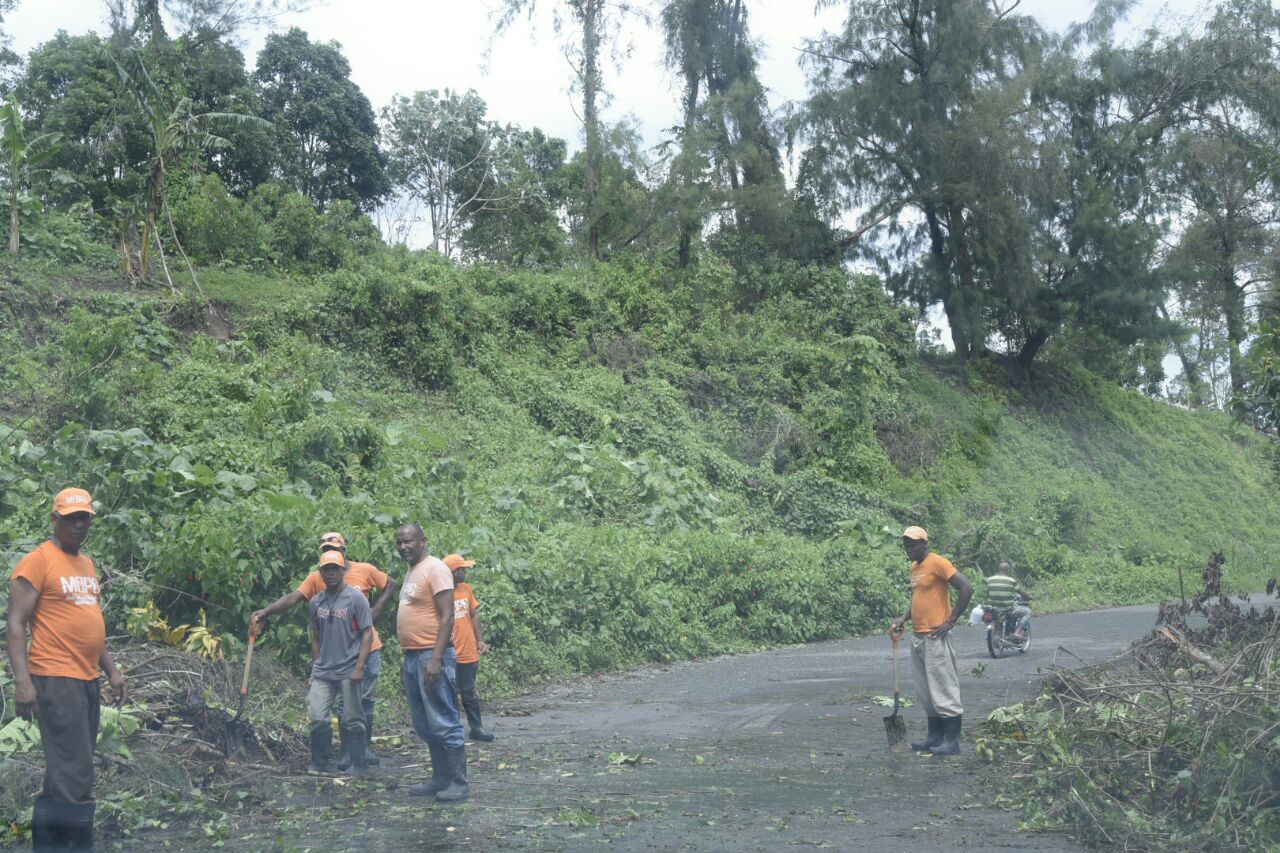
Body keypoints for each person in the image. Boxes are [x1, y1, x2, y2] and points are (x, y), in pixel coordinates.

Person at [6, 488, 128, 852]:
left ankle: (50, 846)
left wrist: (112, 670)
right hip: (55, 678)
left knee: (66, 769)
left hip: (86, 677)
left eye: (84, 518)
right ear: (55, 519)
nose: (79, 524)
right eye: (71, 517)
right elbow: (15, 623)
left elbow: (87, 624)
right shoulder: (37, 561)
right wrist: (23, 682)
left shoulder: (86, 565)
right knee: (75, 773)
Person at [251, 532, 398, 768]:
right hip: (328, 661)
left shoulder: (362, 576)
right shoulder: (316, 595)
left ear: (344, 554)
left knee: (360, 705)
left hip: (362, 651)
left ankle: (359, 754)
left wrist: (377, 609)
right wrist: (265, 612)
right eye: (326, 554)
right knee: (327, 713)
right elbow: (302, 611)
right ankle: (336, 757)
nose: (330, 570)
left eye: (335, 552)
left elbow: (389, 587)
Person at [396, 524, 468, 803]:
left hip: (431, 655)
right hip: (413, 656)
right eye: (400, 542)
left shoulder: (435, 568)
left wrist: (436, 659)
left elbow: (447, 615)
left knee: (444, 720)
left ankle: (459, 782)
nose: (404, 546)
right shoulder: (413, 570)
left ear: (423, 541)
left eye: (409, 541)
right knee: (425, 723)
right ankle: (440, 778)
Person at [889, 526, 973, 757]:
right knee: (925, 690)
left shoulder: (938, 563)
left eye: (913, 544)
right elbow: (918, 597)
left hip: (935, 636)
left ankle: (952, 742)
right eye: (906, 544)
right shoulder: (914, 568)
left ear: (924, 544)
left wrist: (951, 620)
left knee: (944, 688)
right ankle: (934, 737)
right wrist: (903, 619)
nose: (909, 548)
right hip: (918, 636)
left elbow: (966, 588)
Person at [306, 550, 374, 775]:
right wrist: (314, 668)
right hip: (324, 670)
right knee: (317, 717)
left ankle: (357, 763)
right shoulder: (316, 601)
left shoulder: (356, 599)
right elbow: (316, 636)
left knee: (353, 719)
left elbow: (367, 633)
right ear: (321, 573)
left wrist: (359, 665)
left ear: (344, 570)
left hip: (348, 668)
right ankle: (319, 762)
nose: (331, 573)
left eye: (336, 568)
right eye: (327, 569)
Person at [443, 554, 494, 742]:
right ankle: (453, 729)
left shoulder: (466, 589)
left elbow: (474, 615)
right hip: (448, 652)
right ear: (454, 572)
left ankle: (476, 728)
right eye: (463, 569)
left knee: (469, 692)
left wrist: (480, 640)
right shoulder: (440, 592)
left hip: (468, 650)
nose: (465, 572)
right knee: (448, 692)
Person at [986, 562, 1031, 638]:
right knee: (1027, 612)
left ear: (999, 569)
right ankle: (1017, 632)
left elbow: (987, 592)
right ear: (1007, 570)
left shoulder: (989, 579)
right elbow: (1020, 592)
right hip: (1007, 608)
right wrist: (1027, 597)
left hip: (993, 608)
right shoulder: (1011, 580)